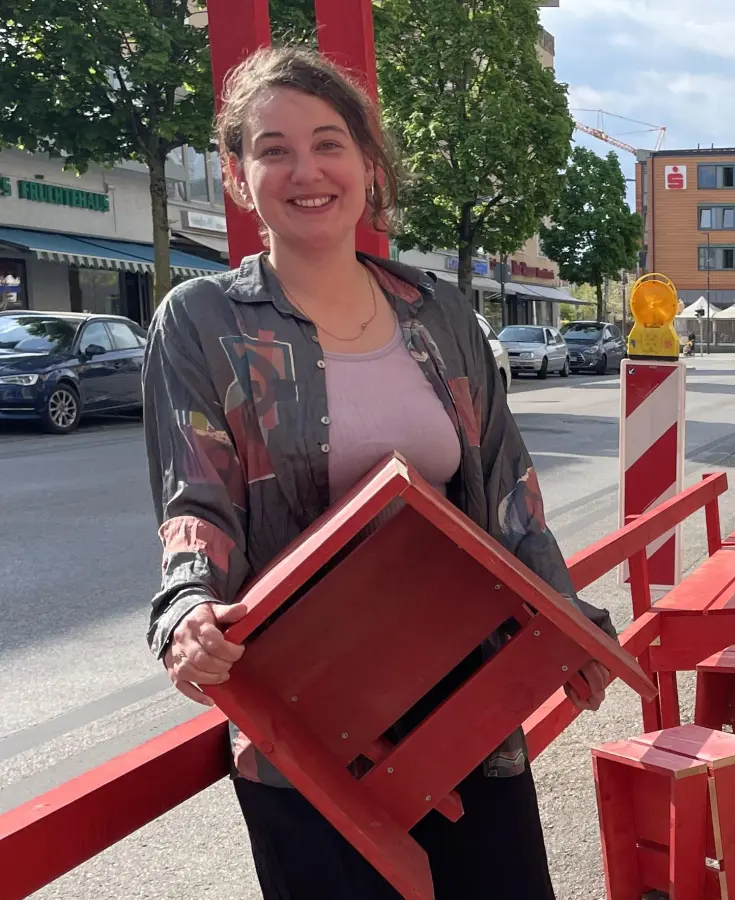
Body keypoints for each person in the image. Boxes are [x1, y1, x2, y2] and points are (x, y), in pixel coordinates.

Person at [142, 46, 614, 900]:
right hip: (307, 723)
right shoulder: (202, 322)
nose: (305, 170)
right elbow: (194, 497)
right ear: (238, 176)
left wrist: (569, 624)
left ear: (368, 161)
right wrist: (185, 610)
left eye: (329, 143)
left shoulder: (439, 314)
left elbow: (510, 493)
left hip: (470, 698)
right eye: (273, 148)